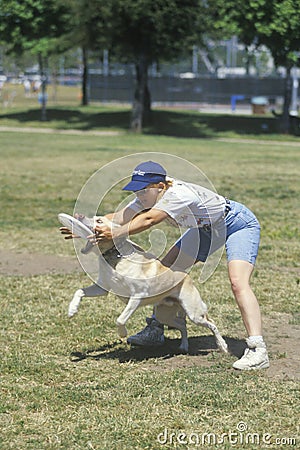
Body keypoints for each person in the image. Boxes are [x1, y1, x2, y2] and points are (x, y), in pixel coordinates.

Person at [67, 161, 269, 370]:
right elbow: (119, 218)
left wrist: (115, 233)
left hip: (236, 222)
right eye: (136, 190)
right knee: (163, 273)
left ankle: (257, 349)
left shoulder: (178, 195)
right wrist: (86, 226)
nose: (139, 195)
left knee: (238, 282)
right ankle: (156, 329)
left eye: (143, 190)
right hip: (205, 229)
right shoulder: (147, 195)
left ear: (160, 187)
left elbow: (149, 219)